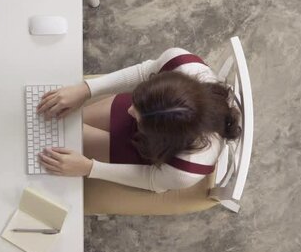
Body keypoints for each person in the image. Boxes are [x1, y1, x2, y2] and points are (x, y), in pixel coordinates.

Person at [36, 48, 241, 192]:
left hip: (152, 157)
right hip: (156, 117)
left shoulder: (184, 170)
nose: (130, 110)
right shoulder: (181, 63)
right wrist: (86, 90)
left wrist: (90, 168)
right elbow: (144, 72)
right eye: (136, 102)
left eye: (138, 115)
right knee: (60, 121)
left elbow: (150, 179)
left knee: (60, 135)